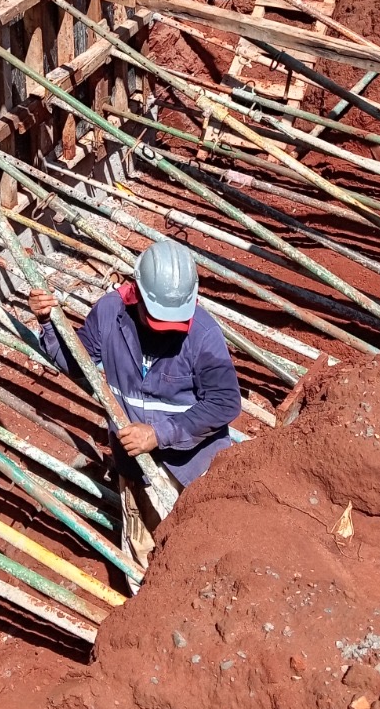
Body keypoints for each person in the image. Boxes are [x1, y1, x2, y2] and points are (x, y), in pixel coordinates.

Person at [29, 238, 241, 567]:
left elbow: (225, 401)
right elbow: (78, 361)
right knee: (148, 553)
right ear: (137, 291)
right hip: (135, 469)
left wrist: (160, 434)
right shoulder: (109, 312)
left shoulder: (202, 333)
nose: (168, 329)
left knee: (207, 549)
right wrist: (49, 323)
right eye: (158, 318)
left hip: (194, 465)